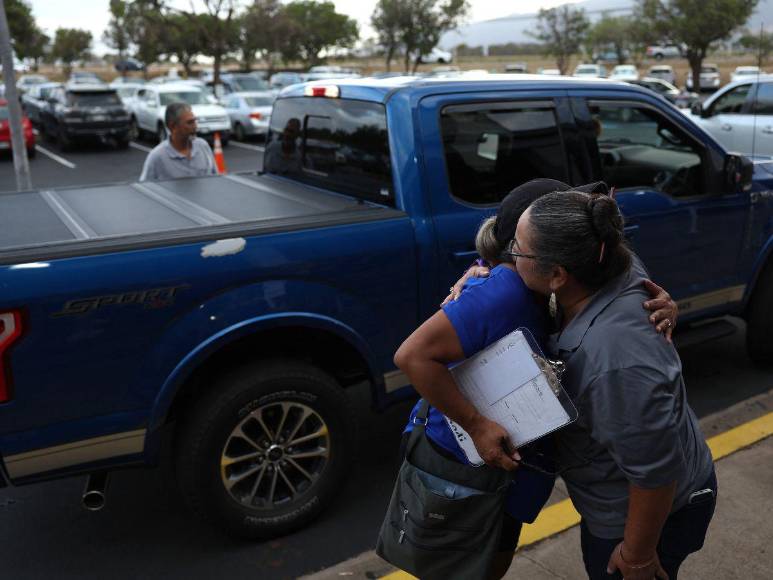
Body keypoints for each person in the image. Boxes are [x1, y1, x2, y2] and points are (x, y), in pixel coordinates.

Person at [393, 179, 678, 579]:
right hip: (467, 466)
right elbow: (412, 356)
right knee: (459, 566)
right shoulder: (506, 288)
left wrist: (663, 306)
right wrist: (476, 426)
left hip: (512, 464)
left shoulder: (581, 271)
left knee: (489, 559)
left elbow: (625, 280)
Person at [512, 190, 715, 580]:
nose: (511, 256)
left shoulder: (614, 362)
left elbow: (655, 473)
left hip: (647, 520)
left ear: (557, 276)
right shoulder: (607, 257)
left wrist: (637, 556)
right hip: (619, 502)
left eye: (517, 250)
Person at [139, 102, 218, 182]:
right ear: (173, 127)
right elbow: (144, 186)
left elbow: (216, 179)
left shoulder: (203, 146)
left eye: (194, 121)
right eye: (189, 123)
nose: (195, 126)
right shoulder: (157, 156)